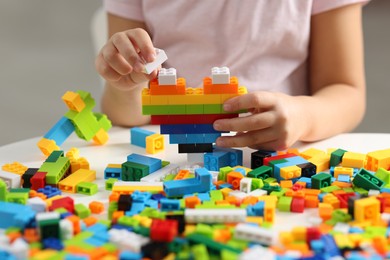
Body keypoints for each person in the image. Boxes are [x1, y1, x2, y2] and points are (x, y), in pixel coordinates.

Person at [96, 0, 368, 151]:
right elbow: (126, 115)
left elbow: (346, 91)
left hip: (283, 151)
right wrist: (129, 85)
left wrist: (304, 116)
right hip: (171, 151)